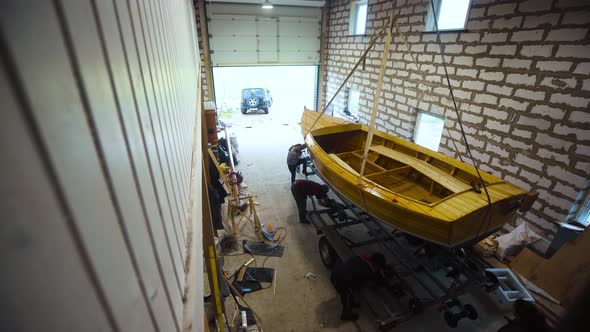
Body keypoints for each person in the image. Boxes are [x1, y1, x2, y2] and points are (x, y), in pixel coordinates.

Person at [330, 253, 387, 321]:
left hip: (336, 271)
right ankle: (346, 315)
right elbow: (376, 279)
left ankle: (352, 303)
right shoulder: (368, 271)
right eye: (379, 267)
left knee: (354, 286)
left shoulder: (360, 257)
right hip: (340, 280)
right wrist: (385, 282)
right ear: (376, 264)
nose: (379, 269)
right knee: (347, 294)